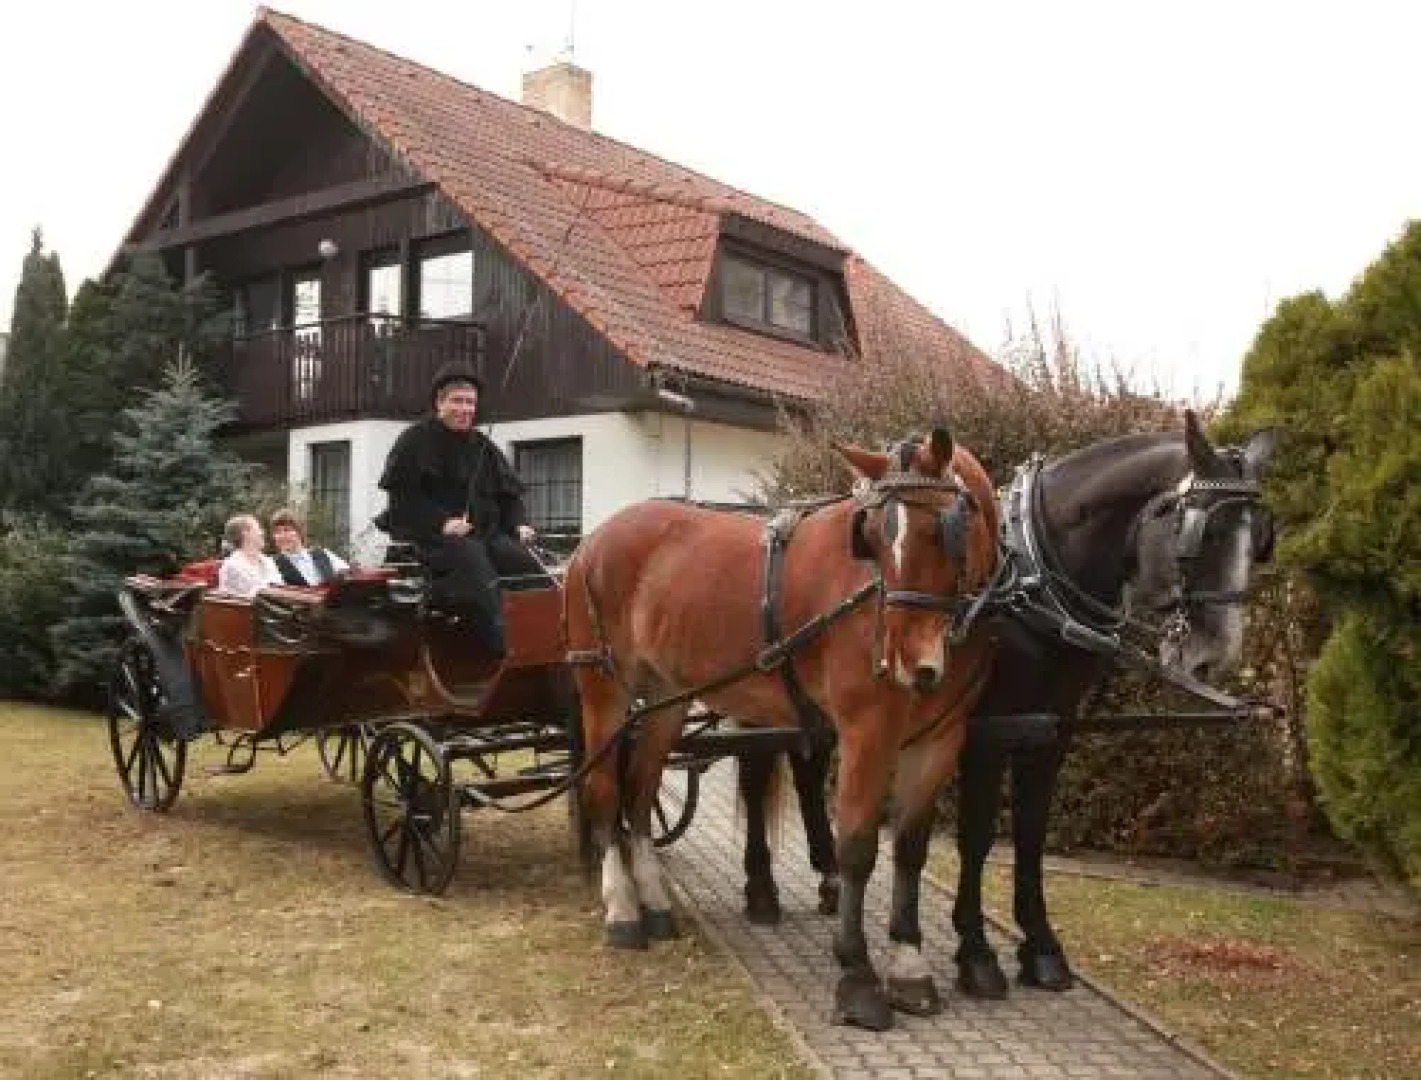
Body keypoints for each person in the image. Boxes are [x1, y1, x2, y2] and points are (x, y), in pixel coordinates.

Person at [377, 361, 546, 657]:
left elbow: (509, 497)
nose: (465, 409)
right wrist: (442, 523)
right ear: (439, 403)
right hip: (432, 540)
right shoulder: (414, 440)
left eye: (470, 403)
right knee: (477, 570)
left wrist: (519, 523)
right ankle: (505, 649)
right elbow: (404, 498)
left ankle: (549, 638)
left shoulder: (483, 446)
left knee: (527, 565)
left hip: (487, 535)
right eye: (457, 401)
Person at [269, 508, 349, 587]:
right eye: (277, 532)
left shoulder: (324, 554)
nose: (282, 536)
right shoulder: (271, 563)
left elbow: (348, 575)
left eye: (287, 530)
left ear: (299, 531)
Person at [216, 514, 282, 598]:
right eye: (258, 528)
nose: (262, 533)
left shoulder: (268, 561)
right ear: (245, 533)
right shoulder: (232, 566)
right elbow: (250, 597)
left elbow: (280, 588)